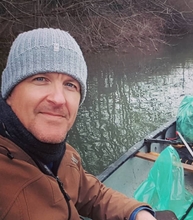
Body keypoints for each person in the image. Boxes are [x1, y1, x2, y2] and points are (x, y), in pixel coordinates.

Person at [0, 28, 157, 220]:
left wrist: (137, 213)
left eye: (70, 85)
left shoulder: (64, 154)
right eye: (40, 79)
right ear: (9, 94)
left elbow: (89, 193)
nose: (59, 99)